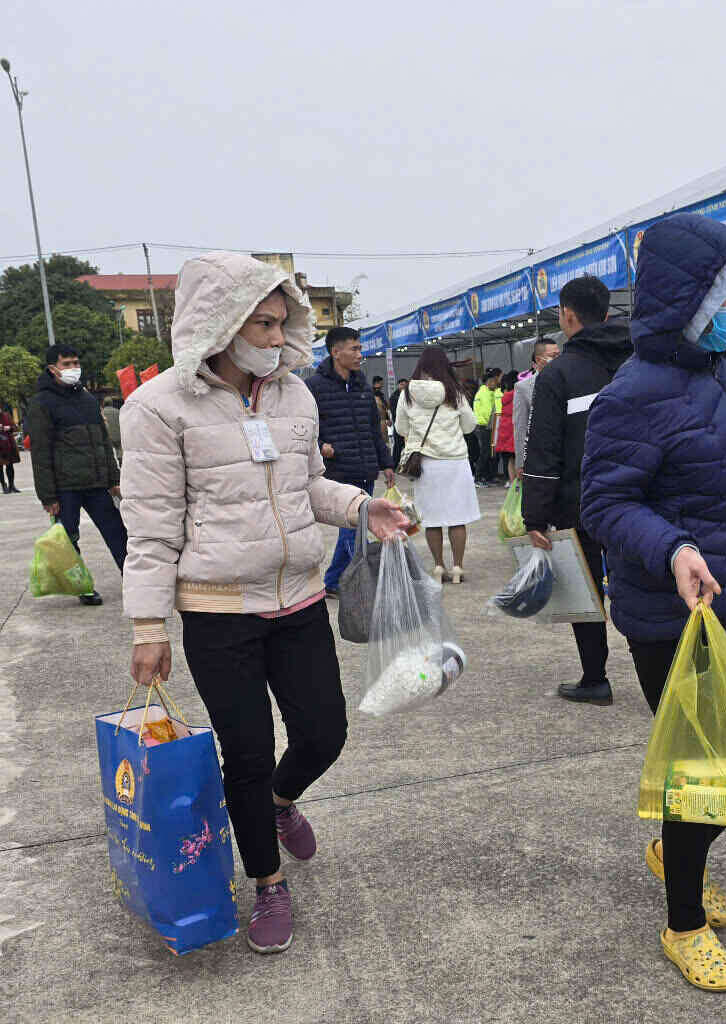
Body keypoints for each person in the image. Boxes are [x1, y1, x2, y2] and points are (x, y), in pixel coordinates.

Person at [120, 251, 408, 955]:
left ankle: (282, 803)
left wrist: (361, 507)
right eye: (262, 323)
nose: (277, 337)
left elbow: (309, 486)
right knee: (245, 754)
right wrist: (148, 624)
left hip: (300, 600)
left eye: (283, 323)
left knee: (325, 733)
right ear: (217, 324)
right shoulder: (156, 408)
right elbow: (152, 530)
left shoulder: (294, 396)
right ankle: (268, 884)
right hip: (220, 613)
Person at [580, 213, 726, 992]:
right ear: (687, 297)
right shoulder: (633, 395)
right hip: (673, 612)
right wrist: (674, 549)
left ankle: (674, 851)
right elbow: (602, 503)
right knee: (706, 773)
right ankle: (683, 922)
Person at [523, 274, 633, 705]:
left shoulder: (558, 376)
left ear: (567, 316)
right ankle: (663, 673)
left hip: (579, 504)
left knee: (585, 591)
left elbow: (544, 452)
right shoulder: (638, 362)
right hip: (638, 499)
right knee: (644, 583)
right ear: (606, 314)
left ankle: (596, 677)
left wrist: (536, 516)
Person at [27, 344, 127, 606]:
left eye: (75, 363)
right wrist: (47, 495)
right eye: (66, 364)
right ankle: (82, 587)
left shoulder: (87, 399)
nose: (73, 368)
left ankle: (133, 579)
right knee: (68, 540)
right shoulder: (42, 403)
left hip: (97, 484)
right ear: (52, 369)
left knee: (118, 532)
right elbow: (40, 452)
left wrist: (113, 479)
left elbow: (103, 442)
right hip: (65, 488)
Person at [306, 326, 395, 597]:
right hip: (339, 469)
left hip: (365, 466)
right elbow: (303, 429)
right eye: (354, 348)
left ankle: (335, 580)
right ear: (336, 352)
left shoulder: (363, 387)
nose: (360, 354)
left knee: (357, 528)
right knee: (354, 527)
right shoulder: (313, 388)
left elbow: (374, 429)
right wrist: (321, 448)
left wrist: (386, 463)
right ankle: (342, 580)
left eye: (360, 348)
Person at [396, 346, 481, 583]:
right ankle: (458, 568)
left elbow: (401, 428)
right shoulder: (455, 392)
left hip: (425, 464)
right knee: (457, 517)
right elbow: (469, 426)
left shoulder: (407, 394)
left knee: (431, 518)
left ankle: (438, 567)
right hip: (454, 462)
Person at [513, 338, 560, 476]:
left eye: (559, 354)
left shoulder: (566, 379)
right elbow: (520, 427)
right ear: (539, 360)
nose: (558, 359)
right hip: (540, 455)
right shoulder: (523, 388)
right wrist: (521, 463)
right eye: (553, 356)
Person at [472, 367, 503, 484]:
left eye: (494, 381)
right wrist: (482, 424)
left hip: (495, 425)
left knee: (493, 453)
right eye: (491, 381)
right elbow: (482, 411)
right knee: (485, 452)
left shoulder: (496, 392)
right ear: (487, 382)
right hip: (483, 427)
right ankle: (478, 477)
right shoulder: (482, 393)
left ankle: (490, 476)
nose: (494, 383)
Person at [493, 370, 518, 484]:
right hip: (514, 432)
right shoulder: (517, 395)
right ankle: (519, 484)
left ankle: (512, 483)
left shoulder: (505, 397)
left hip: (505, 433)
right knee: (519, 460)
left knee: (510, 460)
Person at [0, 402, 20, 493]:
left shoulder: (6, 415)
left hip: (8, 445)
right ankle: (4, 486)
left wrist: (9, 428)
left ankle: (12, 485)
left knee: (10, 465)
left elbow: (15, 428)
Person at [390, 378, 409, 469]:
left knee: (408, 447)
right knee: (398, 446)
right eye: (401, 384)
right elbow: (394, 413)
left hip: (408, 426)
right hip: (398, 425)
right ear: (398, 385)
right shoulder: (394, 397)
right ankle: (394, 465)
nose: (403, 386)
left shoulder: (408, 395)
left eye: (405, 385)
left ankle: (407, 466)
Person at [101, 396, 123, 464]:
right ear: (111, 403)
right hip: (118, 436)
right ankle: (120, 462)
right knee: (119, 450)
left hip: (108, 436)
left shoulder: (102, 413)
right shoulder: (118, 412)